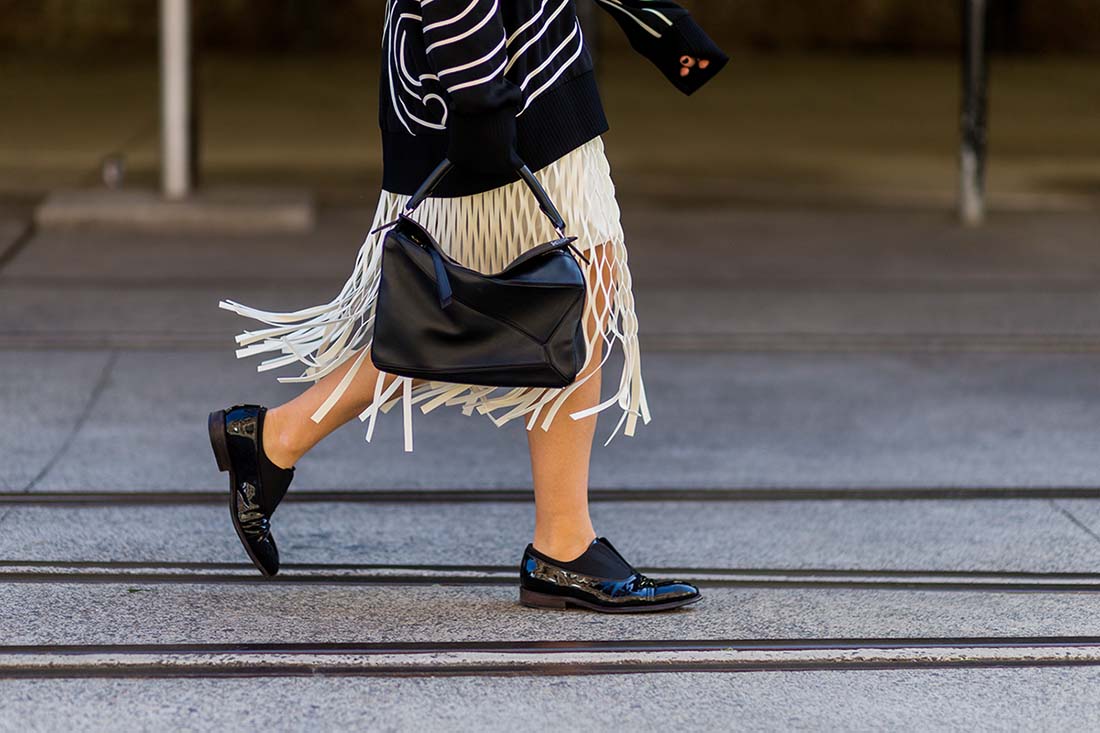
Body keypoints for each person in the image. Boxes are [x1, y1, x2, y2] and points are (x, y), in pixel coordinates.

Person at [209, 0, 728, 613]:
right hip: (490, 72)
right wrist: (478, 94)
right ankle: (562, 544)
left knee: (502, 304)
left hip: (527, 63)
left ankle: (275, 438)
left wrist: (659, 25)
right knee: (512, 301)